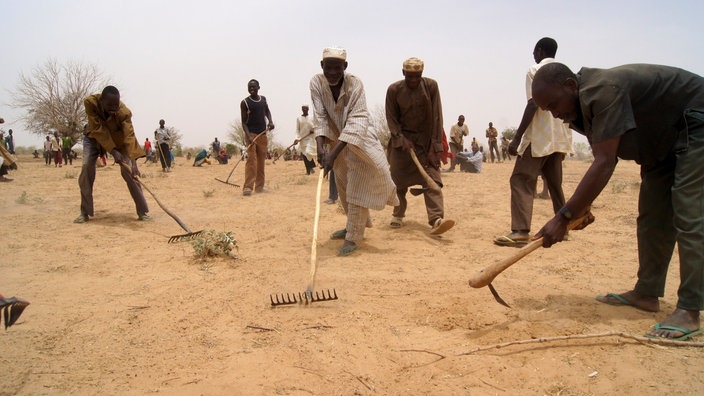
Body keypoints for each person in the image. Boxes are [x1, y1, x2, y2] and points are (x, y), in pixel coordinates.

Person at [531, 62, 704, 340]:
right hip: (661, 141)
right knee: (651, 214)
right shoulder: (577, 110)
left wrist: (564, 216)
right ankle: (646, 292)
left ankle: (690, 310)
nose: (555, 114)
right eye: (548, 110)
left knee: (687, 211)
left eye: (554, 104)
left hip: (695, 121)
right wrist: (580, 209)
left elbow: (604, 161)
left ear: (570, 85)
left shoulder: (602, 92)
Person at [311, 46, 398, 256]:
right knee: (343, 183)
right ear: (322, 66)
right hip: (334, 139)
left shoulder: (355, 84)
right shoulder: (316, 82)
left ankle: (353, 236)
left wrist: (332, 152)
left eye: (337, 68)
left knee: (358, 184)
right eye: (328, 68)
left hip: (360, 138)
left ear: (345, 67)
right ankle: (353, 223)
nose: (332, 73)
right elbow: (320, 117)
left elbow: (357, 120)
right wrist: (323, 150)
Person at [494, 37, 572, 248]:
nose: (533, 55)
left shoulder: (535, 70)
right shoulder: (565, 72)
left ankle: (520, 231)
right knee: (555, 184)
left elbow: (532, 104)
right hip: (559, 136)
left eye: (534, 51)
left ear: (539, 50)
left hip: (538, 137)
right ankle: (563, 227)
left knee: (521, 179)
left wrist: (517, 138)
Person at [385, 57, 455, 235]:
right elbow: (391, 119)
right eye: (410, 76)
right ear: (403, 73)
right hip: (402, 143)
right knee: (398, 180)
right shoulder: (394, 90)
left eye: (417, 76)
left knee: (432, 179)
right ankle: (398, 214)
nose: (414, 80)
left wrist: (434, 148)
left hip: (426, 143)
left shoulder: (431, 86)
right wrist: (401, 138)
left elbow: (437, 116)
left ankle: (436, 219)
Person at [74, 86, 150, 223]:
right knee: (86, 168)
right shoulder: (90, 103)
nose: (113, 108)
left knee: (130, 173)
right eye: (109, 105)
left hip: (117, 140)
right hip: (93, 138)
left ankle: (142, 211)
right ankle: (84, 212)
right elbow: (98, 129)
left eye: (116, 105)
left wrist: (134, 163)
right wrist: (113, 152)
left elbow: (129, 136)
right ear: (101, 100)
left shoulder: (124, 112)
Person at [240, 79, 274, 196]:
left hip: (262, 134)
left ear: (259, 87)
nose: (251, 89)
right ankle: (248, 187)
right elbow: (243, 123)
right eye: (249, 87)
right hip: (251, 135)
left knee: (261, 161)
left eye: (254, 87)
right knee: (251, 160)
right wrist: (248, 136)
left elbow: (267, 111)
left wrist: (270, 121)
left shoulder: (263, 100)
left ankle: (259, 187)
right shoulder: (245, 102)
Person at [295, 104, 317, 175]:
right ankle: (308, 170)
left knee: (308, 152)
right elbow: (297, 130)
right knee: (304, 155)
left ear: (308, 109)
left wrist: (313, 129)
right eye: (303, 109)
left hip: (310, 138)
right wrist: (297, 138)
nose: (304, 110)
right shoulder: (298, 118)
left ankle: (312, 167)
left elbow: (316, 126)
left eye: (306, 109)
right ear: (302, 109)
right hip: (302, 139)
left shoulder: (311, 118)